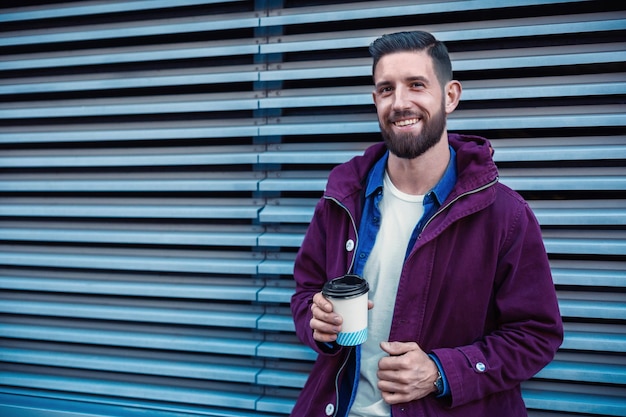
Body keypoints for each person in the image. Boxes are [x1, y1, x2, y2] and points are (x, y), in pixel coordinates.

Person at [290, 30, 563, 417]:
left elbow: (537, 334)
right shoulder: (342, 198)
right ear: (375, 100)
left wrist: (441, 372)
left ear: (450, 96)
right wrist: (317, 322)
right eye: (386, 89)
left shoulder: (505, 214)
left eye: (416, 85)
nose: (400, 103)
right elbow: (305, 293)